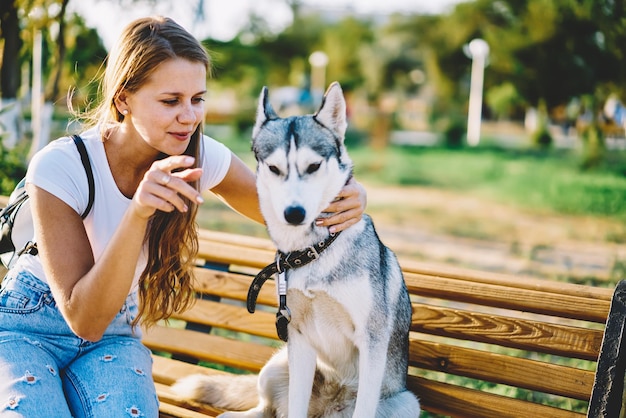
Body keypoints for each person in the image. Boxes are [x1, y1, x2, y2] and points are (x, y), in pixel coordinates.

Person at [0, 16, 366, 417]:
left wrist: (350, 195)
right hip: (28, 326)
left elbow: (284, 209)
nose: (189, 116)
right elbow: (82, 318)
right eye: (170, 101)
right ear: (123, 99)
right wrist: (138, 211)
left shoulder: (200, 155)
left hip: (112, 335)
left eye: (197, 99)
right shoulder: (61, 165)